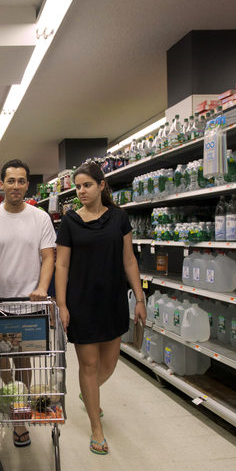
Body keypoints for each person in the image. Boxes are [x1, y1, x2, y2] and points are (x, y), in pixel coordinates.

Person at [55, 161, 147, 455]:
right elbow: (62, 264)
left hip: (113, 300)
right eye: (78, 186)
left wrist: (139, 297)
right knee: (89, 365)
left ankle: (88, 393)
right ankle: (97, 427)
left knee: (108, 364)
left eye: (87, 185)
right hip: (81, 301)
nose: (81, 191)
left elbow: (129, 259)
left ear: (101, 185)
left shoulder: (119, 217)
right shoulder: (70, 222)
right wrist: (62, 304)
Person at [0, 158, 56, 447]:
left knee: (23, 360)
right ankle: (14, 393)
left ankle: (20, 417)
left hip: (30, 304)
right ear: (2, 184)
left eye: (22, 181)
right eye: (11, 181)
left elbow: (48, 256)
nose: (16, 186)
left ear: (27, 184)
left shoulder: (40, 218)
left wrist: (42, 288)